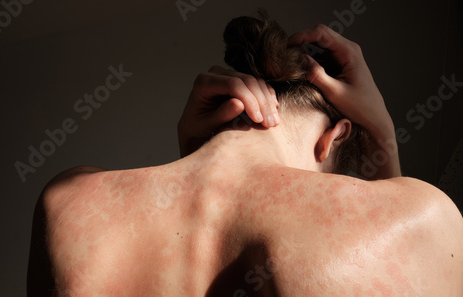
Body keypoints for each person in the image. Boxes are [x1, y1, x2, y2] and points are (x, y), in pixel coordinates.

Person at [27, 13, 463, 296]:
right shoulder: (421, 216)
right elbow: (404, 249)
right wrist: (382, 132)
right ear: (332, 138)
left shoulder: (68, 201)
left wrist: (194, 157)